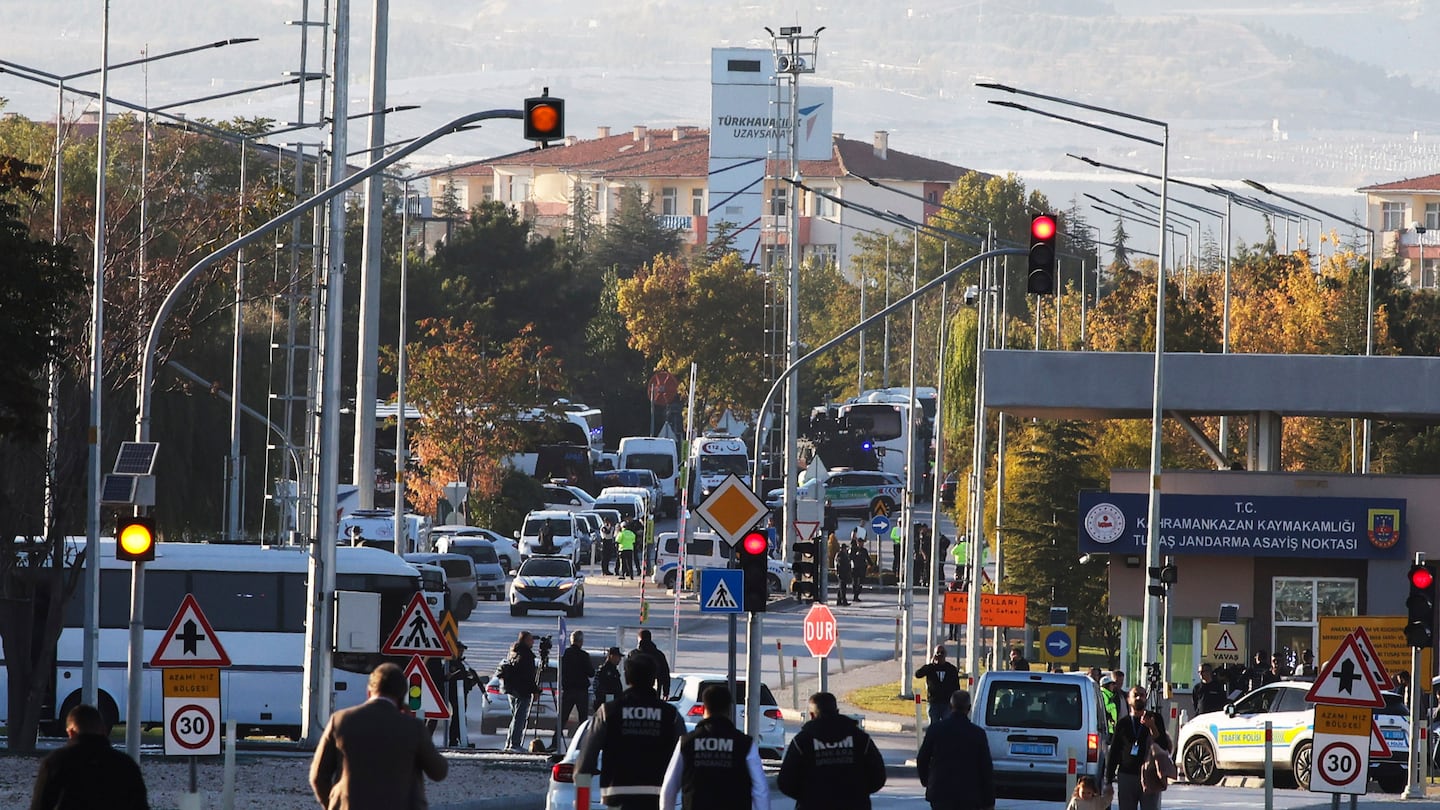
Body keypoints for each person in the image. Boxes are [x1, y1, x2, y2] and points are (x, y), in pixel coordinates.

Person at [309, 663, 449, 810]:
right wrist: (415, 727)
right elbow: (438, 772)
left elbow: (318, 777)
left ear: (369, 692)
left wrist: (333, 805)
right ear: (402, 698)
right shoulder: (413, 727)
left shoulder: (340, 720)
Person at [578, 651, 686, 809]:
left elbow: (585, 762)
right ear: (653, 679)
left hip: (616, 794)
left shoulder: (608, 712)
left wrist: (581, 804)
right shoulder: (671, 715)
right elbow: (686, 757)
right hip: (656, 793)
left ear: (627, 678)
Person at [660, 685, 769, 810]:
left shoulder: (687, 743)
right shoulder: (744, 744)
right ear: (729, 710)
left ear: (703, 709)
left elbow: (669, 788)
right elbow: (760, 789)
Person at [778, 692, 887, 810]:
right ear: (837, 710)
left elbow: (785, 781)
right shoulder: (860, 738)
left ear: (812, 715)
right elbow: (878, 775)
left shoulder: (803, 741)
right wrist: (858, 793)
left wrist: (808, 797)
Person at [30, 703, 148, 810]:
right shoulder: (126, 765)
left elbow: (40, 806)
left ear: (71, 733)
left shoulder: (56, 763)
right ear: (103, 730)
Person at [916, 690, 994, 810]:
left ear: (950, 706)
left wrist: (927, 781)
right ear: (969, 708)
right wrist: (989, 800)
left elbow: (922, 759)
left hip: (940, 792)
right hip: (969, 795)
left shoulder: (936, 730)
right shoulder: (977, 734)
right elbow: (986, 768)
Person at [1105, 686, 1155, 810]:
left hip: (1149, 776)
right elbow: (1115, 751)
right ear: (1128, 699)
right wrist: (1109, 780)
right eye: (1136, 695)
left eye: (1142, 695)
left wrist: (1152, 727)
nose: (1139, 698)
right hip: (1126, 775)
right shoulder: (1123, 723)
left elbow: (1164, 746)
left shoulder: (1154, 719)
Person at [500, 631, 541, 753]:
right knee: (519, 718)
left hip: (512, 689)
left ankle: (510, 743)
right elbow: (528, 676)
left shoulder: (514, 652)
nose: (533, 642)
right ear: (526, 641)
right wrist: (535, 690)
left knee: (515, 717)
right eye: (531, 640)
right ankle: (514, 744)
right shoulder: (526, 655)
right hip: (521, 690)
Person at [559, 630, 595, 737]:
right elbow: (591, 673)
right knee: (583, 719)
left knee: (563, 717)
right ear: (581, 641)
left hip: (568, 689)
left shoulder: (565, 654)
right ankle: (582, 740)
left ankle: (555, 742)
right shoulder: (583, 655)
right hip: (581, 690)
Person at [915, 645, 962, 725]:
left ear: (945, 654)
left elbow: (956, 687)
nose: (940, 655)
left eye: (942, 653)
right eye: (938, 653)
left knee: (947, 726)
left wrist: (954, 703)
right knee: (933, 727)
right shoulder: (930, 668)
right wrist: (930, 663)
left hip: (947, 703)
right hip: (933, 703)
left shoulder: (951, 669)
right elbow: (918, 674)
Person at [1140, 710, 1175, 798]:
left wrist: (1152, 727)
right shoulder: (1140, 733)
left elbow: (1159, 742)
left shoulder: (1156, 745)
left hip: (1151, 781)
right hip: (1150, 782)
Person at [634, 628, 673, 697]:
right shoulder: (659, 655)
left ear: (639, 639)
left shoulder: (634, 654)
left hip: (636, 691)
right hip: (655, 690)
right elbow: (665, 674)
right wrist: (666, 692)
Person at [594, 646, 625, 711]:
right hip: (608, 702)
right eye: (618, 657)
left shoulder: (613, 670)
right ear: (611, 656)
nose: (619, 659)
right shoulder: (605, 670)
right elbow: (601, 688)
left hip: (613, 701)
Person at [835, 533, 854, 605]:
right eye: (845, 548)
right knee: (843, 588)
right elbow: (840, 564)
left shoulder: (845, 555)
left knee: (841, 587)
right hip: (842, 574)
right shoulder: (840, 555)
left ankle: (839, 601)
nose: (846, 549)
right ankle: (844, 601)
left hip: (844, 573)